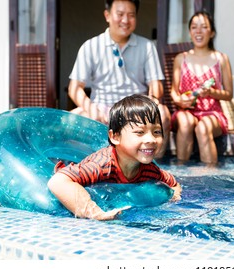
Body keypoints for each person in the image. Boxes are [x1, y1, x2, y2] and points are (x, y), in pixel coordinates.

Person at [48, 94, 182, 221]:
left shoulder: (150, 169)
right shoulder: (102, 165)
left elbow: (173, 184)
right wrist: (94, 213)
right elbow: (58, 182)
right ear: (115, 137)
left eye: (157, 132)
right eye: (140, 132)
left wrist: (174, 197)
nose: (151, 139)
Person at [68, 0, 170, 157]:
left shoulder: (147, 46)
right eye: (120, 14)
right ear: (107, 15)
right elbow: (74, 89)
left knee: (162, 113)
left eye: (131, 15)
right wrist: (90, 108)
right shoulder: (90, 46)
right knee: (71, 119)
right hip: (101, 109)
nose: (125, 20)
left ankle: (156, 169)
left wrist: (153, 102)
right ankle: (81, 165)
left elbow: (156, 85)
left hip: (136, 110)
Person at [170, 11, 233, 164]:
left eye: (204, 27)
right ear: (190, 32)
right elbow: (174, 91)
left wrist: (211, 92)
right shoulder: (181, 58)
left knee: (203, 128)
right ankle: (180, 171)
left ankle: (210, 178)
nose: (198, 31)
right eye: (194, 27)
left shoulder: (221, 59)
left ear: (211, 32)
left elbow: (229, 94)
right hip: (186, 111)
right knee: (185, 122)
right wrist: (180, 101)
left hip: (213, 114)